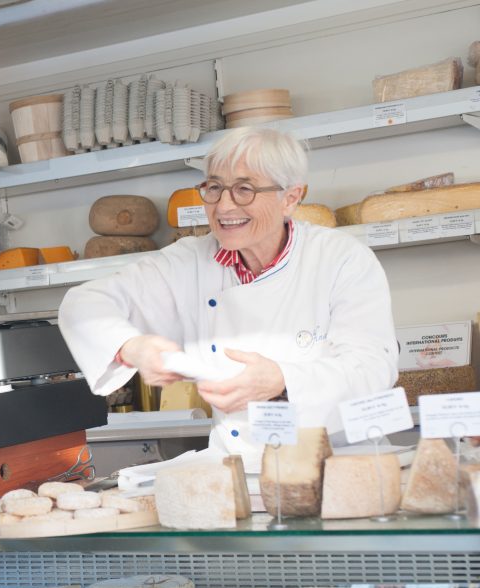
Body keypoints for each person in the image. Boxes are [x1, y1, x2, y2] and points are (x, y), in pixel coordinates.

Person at [59, 127, 398, 469]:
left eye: (244, 189)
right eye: (215, 187)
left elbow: (371, 370)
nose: (223, 206)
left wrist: (282, 379)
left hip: (339, 468)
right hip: (237, 469)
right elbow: (84, 304)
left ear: (291, 198)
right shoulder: (188, 261)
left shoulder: (341, 259)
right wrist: (133, 347)